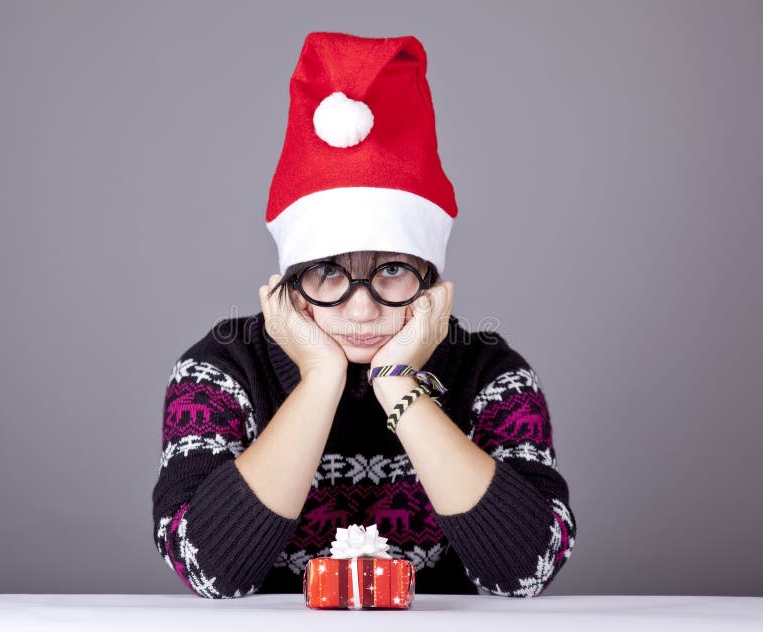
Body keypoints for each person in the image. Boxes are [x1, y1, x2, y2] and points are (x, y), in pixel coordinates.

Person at [152, 31, 576, 599]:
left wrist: (398, 384)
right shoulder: (219, 371)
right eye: (328, 271)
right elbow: (210, 570)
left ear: (431, 281)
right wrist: (320, 379)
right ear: (287, 285)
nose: (361, 307)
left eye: (392, 271)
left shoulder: (491, 375)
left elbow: (528, 570)